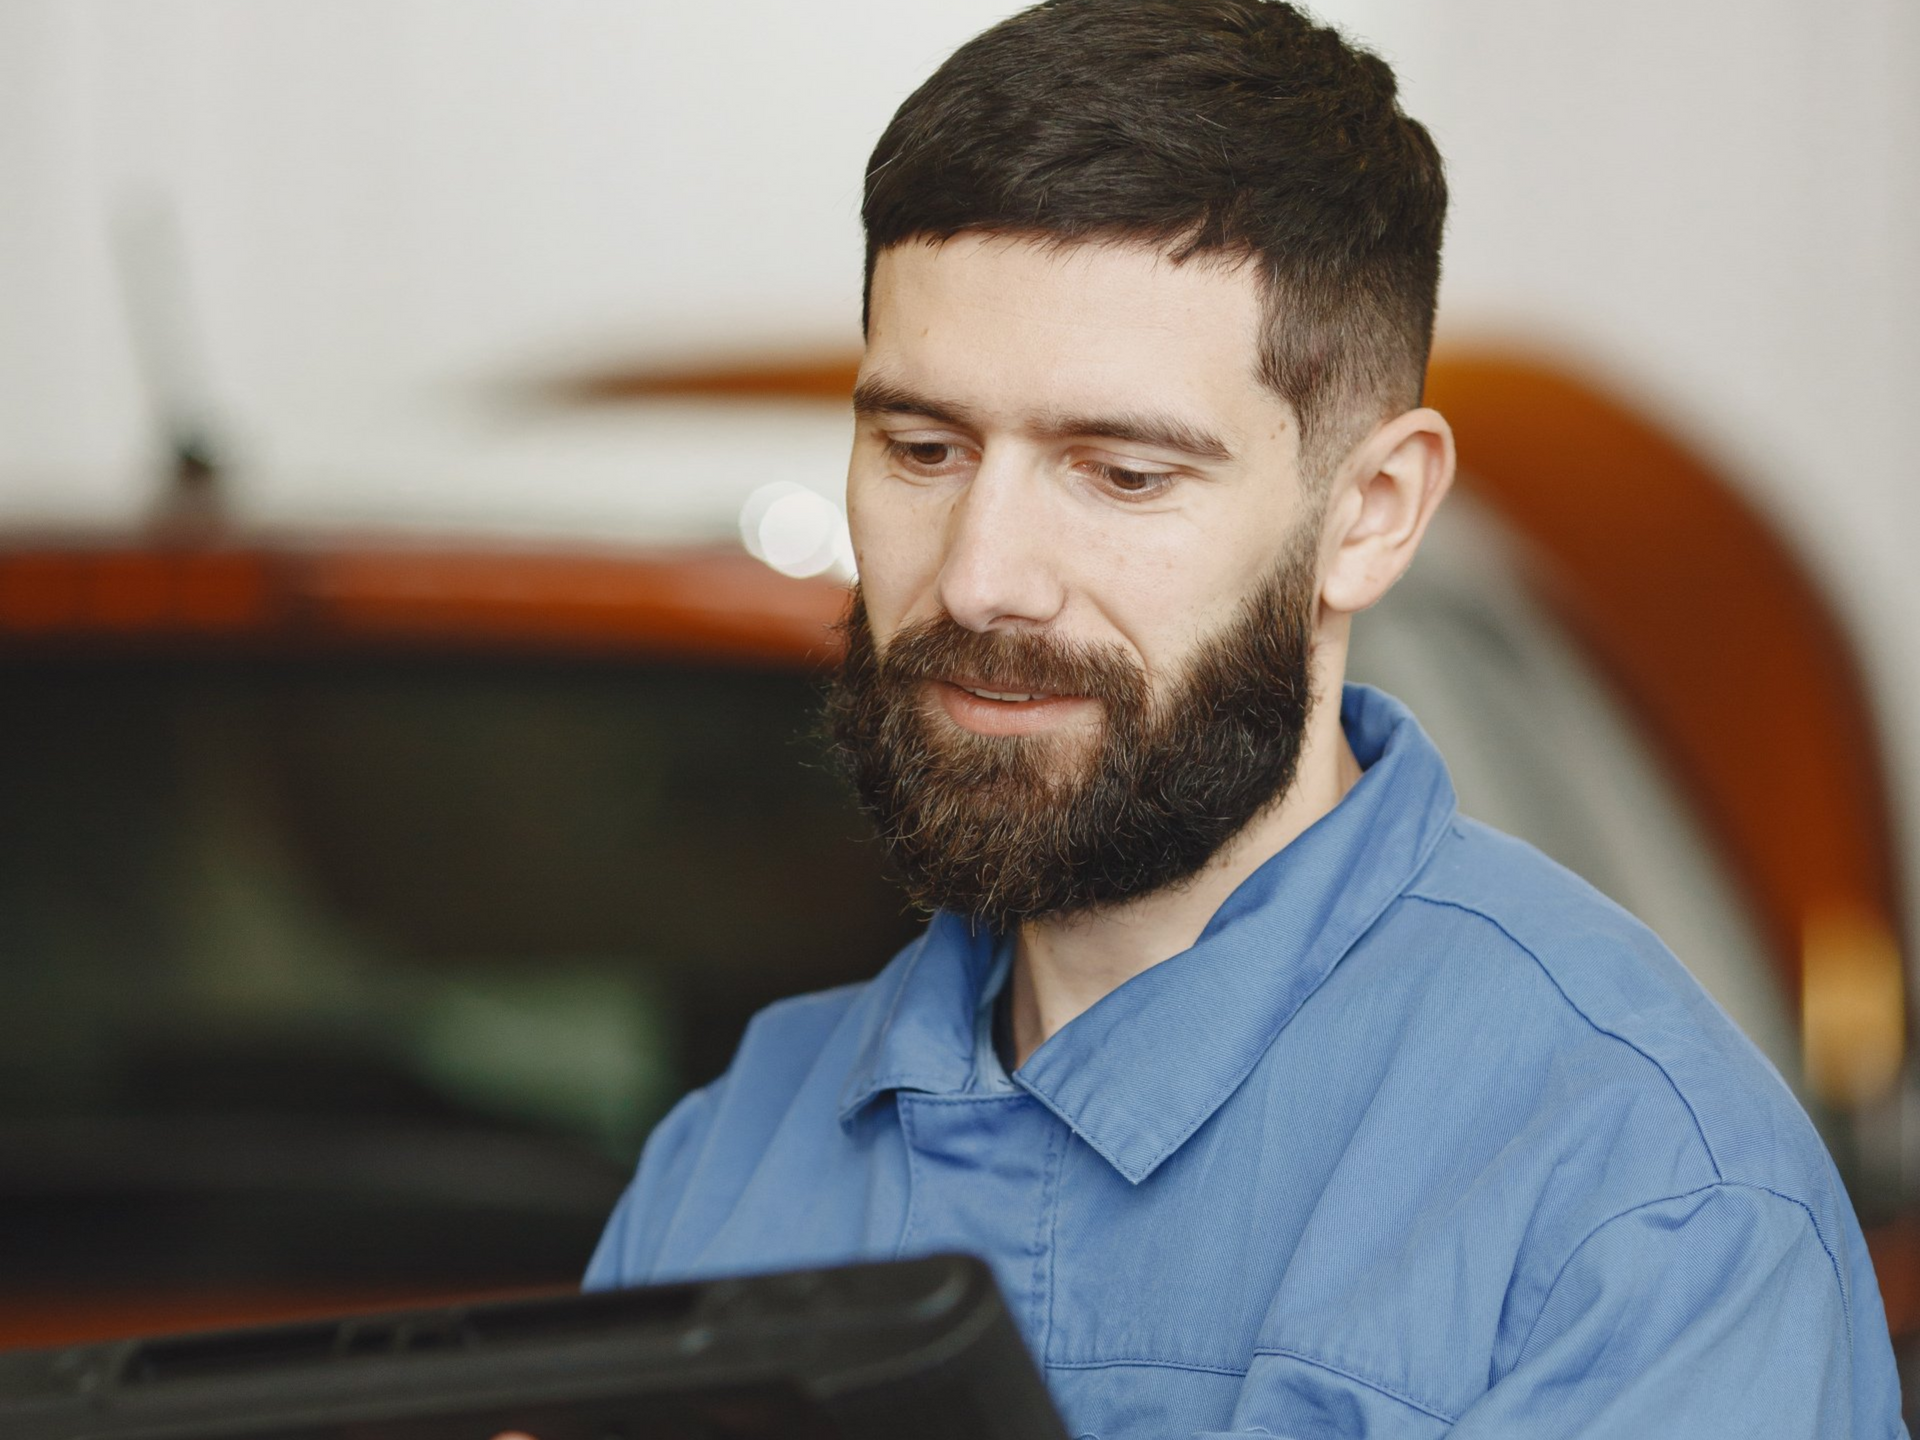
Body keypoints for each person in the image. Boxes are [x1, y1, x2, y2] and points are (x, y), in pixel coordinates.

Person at [586, 2, 1906, 1434]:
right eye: (921, 448)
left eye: (1124, 474)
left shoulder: (1641, 1198)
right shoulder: (728, 1167)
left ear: (1370, 514)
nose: (979, 577)